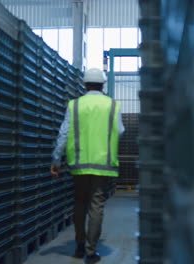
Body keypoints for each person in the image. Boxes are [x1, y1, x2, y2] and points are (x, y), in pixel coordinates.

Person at [50, 68, 125, 264]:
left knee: (80, 202)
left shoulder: (75, 105)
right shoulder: (112, 105)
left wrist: (56, 160)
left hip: (79, 163)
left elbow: (64, 133)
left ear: (84, 85)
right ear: (103, 85)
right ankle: (91, 252)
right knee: (96, 205)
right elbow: (121, 131)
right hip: (102, 163)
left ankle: (79, 246)